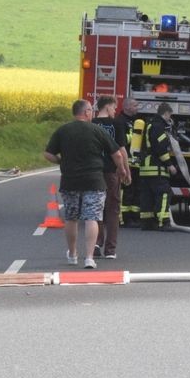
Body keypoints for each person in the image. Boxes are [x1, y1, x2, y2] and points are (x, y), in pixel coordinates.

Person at [43, 99, 125, 269]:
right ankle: (89, 257)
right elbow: (116, 154)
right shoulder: (97, 130)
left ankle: (72, 254)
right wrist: (122, 170)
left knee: (71, 218)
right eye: (90, 110)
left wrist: (61, 161)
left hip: (70, 180)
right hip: (94, 181)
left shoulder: (63, 130)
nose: (92, 112)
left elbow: (48, 154)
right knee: (92, 218)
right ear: (86, 111)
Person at [92, 96, 131, 258]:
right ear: (107, 107)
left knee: (95, 208)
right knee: (113, 209)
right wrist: (126, 171)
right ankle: (110, 249)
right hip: (111, 171)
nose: (115, 111)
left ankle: (95, 243)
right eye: (114, 108)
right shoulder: (117, 124)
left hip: (94, 172)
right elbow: (121, 151)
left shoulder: (91, 124)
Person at [139, 102, 180, 230]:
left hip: (146, 166)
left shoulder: (150, 124)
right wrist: (170, 165)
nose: (170, 118)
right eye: (169, 115)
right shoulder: (159, 126)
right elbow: (161, 149)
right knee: (164, 193)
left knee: (148, 195)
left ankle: (147, 222)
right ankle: (163, 222)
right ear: (166, 113)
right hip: (156, 167)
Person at [115, 97, 141, 227]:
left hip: (135, 162)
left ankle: (133, 217)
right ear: (127, 107)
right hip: (126, 162)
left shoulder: (136, 120)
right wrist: (135, 136)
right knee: (125, 191)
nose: (138, 107)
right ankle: (123, 218)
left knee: (134, 190)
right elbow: (120, 142)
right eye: (135, 105)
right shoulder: (120, 121)